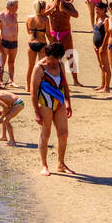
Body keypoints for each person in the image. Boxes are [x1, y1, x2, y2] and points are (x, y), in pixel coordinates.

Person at [30, 42, 74, 176]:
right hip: (45, 103)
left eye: (58, 58)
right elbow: (33, 91)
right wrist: (36, 112)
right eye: (53, 59)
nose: (55, 62)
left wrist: (68, 102)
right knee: (46, 133)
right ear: (47, 55)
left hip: (59, 102)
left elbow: (65, 84)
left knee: (63, 133)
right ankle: (44, 165)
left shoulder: (60, 64)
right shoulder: (39, 68)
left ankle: (61, 164)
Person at [0, 0, 20, 85]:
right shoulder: (2, 15)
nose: (17, 7)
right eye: (16, 5)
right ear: (10, 6)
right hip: (4, 42)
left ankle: (11, 80)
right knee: (2, 62)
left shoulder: (15, 15)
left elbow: (16, 27)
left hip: (14, 42)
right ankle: (1, 80)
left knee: (11, 62)